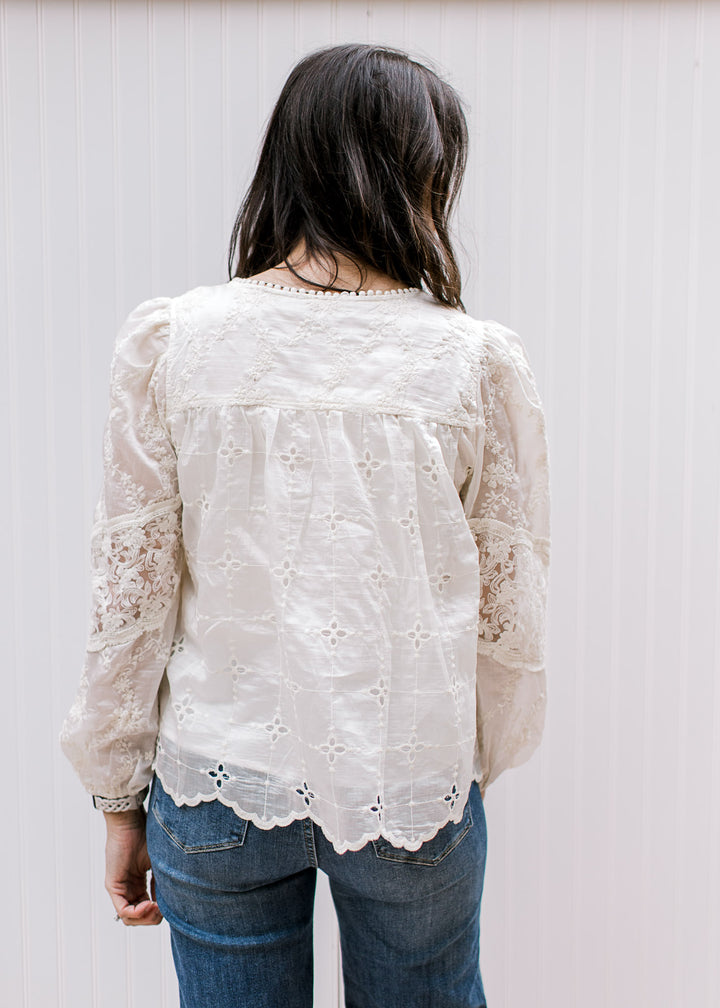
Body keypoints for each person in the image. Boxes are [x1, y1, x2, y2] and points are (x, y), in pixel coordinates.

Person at [61, 43, 550, 1008]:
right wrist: (470, 769)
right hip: (412, 781)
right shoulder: (474, 363)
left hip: (215, 781)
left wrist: (118, 797)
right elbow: (511, 610)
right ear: (421, 172)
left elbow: (132, 590)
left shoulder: (176, 340)